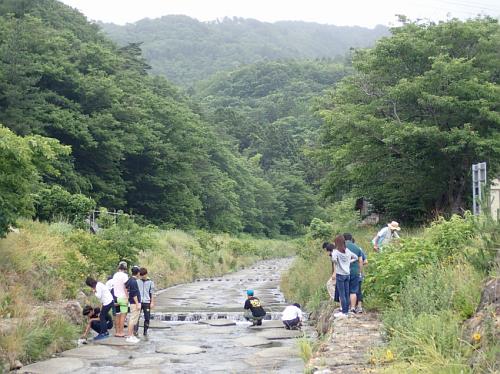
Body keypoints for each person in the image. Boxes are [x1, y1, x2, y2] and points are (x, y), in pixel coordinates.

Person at [331, 235, 358, 319]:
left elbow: (334, 260)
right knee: (347, 294)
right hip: (347, 274)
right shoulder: (347, 251)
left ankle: (344, 312)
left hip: (340, 275)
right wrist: (349, 261)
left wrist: (338, 262)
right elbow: (356, 257)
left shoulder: (336, 252)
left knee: (342, 294)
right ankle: (347, 311)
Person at [343, 233, 364, 314]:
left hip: (344, 271)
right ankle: (352, 308)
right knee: (353, 291)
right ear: (351, 239)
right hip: (355, 271)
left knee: (345, 290)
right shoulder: (357, 248)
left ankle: (345, 308)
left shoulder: (341, 247)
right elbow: (361, 261)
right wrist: (360, 272)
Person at [134, 267, 155, 337]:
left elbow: (152, 293)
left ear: (146, 274)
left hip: (147, 302)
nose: (142, 276)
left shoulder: (150, 282)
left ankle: (145, 332)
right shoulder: (137, 282)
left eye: (143, 275)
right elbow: (135, 293)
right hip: (139, 302)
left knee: (147, 317)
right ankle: (135, 331)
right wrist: (136, 302)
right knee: (137, 317)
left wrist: (152, 302)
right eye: (141, 275)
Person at [112, 261, 129, 338]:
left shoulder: (115, 275)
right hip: (122, 297)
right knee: (123, 316)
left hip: (115, 297)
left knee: (117, 315)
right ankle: (121, 332)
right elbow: (126, 287)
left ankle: (117, 332)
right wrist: (127, 297)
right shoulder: (125, 276)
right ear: (125, 268)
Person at [125, 266, 141, 343]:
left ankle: (131, 335)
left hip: (131, 302)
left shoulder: (130, 279)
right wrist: (137, 304)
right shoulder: (134, 281)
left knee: (132, 318)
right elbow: (134, 294)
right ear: (138, 273)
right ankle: (130, 336)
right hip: (134, 303)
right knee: (133, 319)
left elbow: (125, 286)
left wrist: (127, 296)